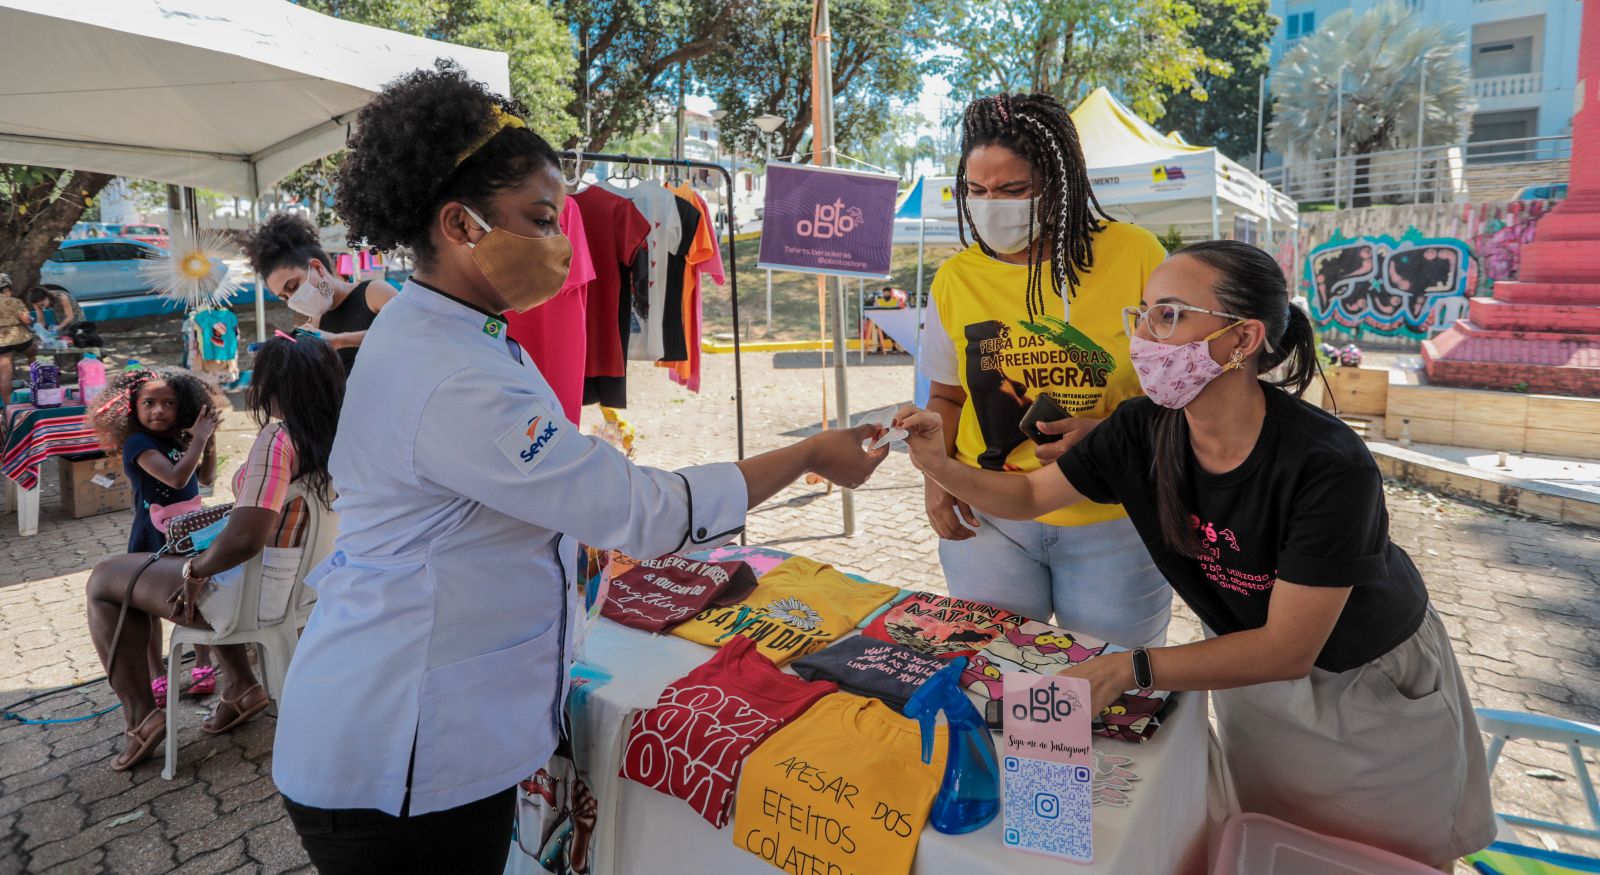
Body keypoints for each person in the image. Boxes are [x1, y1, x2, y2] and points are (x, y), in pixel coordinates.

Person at [269, 62, 890, 873]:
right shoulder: (452, 369)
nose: (562, 243)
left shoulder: (450, 330)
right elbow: (646, 511)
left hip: (416, 727)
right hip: (398, 755)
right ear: (458, 224)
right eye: (539, 217)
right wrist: (809, 452)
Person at [897, 239, 1494, 867]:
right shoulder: (1141, 428)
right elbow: (1024, 496)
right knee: (1268, 841)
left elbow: (1289, 649)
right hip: (1247, 674)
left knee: (1376, 858)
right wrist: (939, 464)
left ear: (1242, 340)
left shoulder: (1327, 465)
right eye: (1144, 313)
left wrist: (1128, 669)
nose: (1144, 338)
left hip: (1365, 688)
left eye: (1171, 315)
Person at [917, 92, 1171, 648]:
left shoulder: (1136, 255)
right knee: (996, 672)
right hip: (990, 520)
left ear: (1060, 183)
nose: (993, 206)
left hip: (1115, 519)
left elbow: (1187, 391)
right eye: (977, 191)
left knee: (1116, 684)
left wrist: (1111, 434)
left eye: (1013, 190)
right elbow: (947, 397)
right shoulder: (955, 279)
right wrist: (938, 477)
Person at [85, 336, 346, 767]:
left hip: (255, 595)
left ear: (274, 388)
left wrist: (195, 572)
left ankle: (141, 717)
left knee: (106, 579)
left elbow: (246, 538)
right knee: (182, 560)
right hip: (304, 589)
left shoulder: (279, 438)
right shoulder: (342, 433)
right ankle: (242, 686)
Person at [86, 366, 221, 739]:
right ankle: (156, 673)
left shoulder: (183, 438)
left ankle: (203, 664)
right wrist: (198, 440)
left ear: (186, 407)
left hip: (191, 533)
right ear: (132, 407)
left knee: (195, 596)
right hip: (153, 536)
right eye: (149, 403)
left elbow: (205, 477)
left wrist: (206, 442)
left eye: (169, 403)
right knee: (147, 609)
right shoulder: (138, 444)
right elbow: (176, 477)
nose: (158, 410)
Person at [239, 213, 398, 373]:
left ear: (317, 267)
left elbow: (412, 332)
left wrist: (340, 340)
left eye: (293, 286)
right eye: (285, 298)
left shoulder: (374, 293)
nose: (292, 299)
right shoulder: (315, 324)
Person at [0, 274, 33, 396]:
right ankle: (34, 374)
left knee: (5, 374)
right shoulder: (14, 301)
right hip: (19, 338)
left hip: (1, 343)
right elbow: (27, 320)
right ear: (6, 290)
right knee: (32, 351)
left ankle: (8, 405)